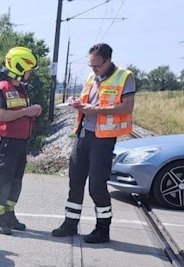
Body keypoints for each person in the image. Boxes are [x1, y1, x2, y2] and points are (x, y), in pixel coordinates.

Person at [51, 43, 135, 244]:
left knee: (97, 186)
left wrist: (96, 111)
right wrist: (77, 103)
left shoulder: (125, 76)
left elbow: (127, 106)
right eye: (91, 65)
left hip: (103, 139)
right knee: (75, 181)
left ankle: (102, 229)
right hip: (84, 134)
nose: (94, 69)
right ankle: (70, 223)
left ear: (108, 61)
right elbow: (85, 99)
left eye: (97, 66)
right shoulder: (91, 77)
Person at [0, 47, 43, 234]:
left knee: (15, 180)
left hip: (21, 141)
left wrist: (33, 111)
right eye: (28, 69)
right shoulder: (2, 89)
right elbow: (1, 116)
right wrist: (27, 111)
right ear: (18, 66)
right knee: (2, 179)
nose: (30, 73)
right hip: (7, 141)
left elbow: (19, 114)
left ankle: (9, 215)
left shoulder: (20, 89)